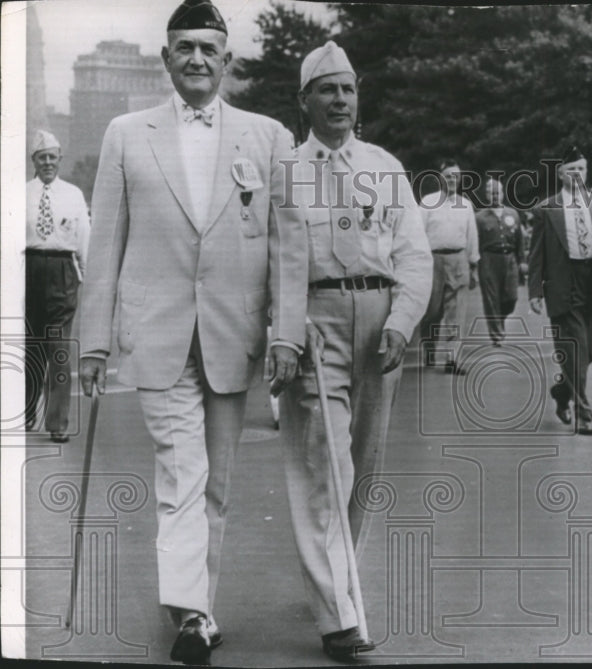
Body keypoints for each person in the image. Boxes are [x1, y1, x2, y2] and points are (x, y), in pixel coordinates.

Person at [77, 1, 307, 663]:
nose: (197, 59)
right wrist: (93, 341)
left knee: (218, 483)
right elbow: (106, 245)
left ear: (226, 59)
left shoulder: (268, 138)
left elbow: (290, 246)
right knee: (183, 471)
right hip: (158, 335)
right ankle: (192, 617)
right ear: (166, 58)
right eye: (185, 48)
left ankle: (193, 606)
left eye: (209, 48)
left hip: (234, 339)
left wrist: (286, 333)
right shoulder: (127, 133)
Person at [279, 40, 433, 660]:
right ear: (304, 101)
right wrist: (285, 330)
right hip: (316, 324)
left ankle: (336, 577)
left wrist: (401, 321)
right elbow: (275, 265)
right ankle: (339, 614)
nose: (339, 99)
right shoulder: (283, 171)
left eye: (347, 88)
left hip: (378, 323)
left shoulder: (385, 167)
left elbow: (413, 255)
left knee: (364, 469)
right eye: (326, 89)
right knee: (324, 464)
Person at [529, 146, 592, 436]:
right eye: (571, 170)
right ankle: (584, 411)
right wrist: (535, 291)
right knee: (574, 349)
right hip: (562, 284)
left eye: (581, 169)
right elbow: (537, 254)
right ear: (560, 173)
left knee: (589, 352)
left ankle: (562, 392)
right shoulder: (547, 209)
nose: (577, 174)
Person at [24, 130, 90, 442]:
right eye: (41, 157)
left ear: (60, 159)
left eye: (52, 157)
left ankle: (57, 423)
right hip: (29, 270)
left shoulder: (73, 195)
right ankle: (25, 412)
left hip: (63, 272)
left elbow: (84, 240)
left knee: (59, 350)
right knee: (31, 347)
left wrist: (88, 277)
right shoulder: (19, 194)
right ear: (33, 161)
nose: (47, 162)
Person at [418, 159, 479, 373]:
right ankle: (430, 350)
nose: (452, 180)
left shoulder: (465, 205)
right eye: (448, 176)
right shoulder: (428, 202)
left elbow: (472, 236)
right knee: (431, 312)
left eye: (456, 176)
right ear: (440, 178)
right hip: (433, 262)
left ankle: (452, 359)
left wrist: (474, 265)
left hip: (459, 260)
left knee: (457, 313)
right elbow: (417, 235)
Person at [475, 175, 523, 345]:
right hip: (488, 259)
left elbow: (519, 239)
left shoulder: (513, 214)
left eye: (497, 192)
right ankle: (496, 334)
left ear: (503, 194)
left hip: (509, 258)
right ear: (486, 196)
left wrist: (521, 261)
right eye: (490, 193)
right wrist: (475, 267)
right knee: (491, 298)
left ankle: (500, 318)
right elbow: (476, 243)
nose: (495, 196)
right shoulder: (479, 218)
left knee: (511, 297)